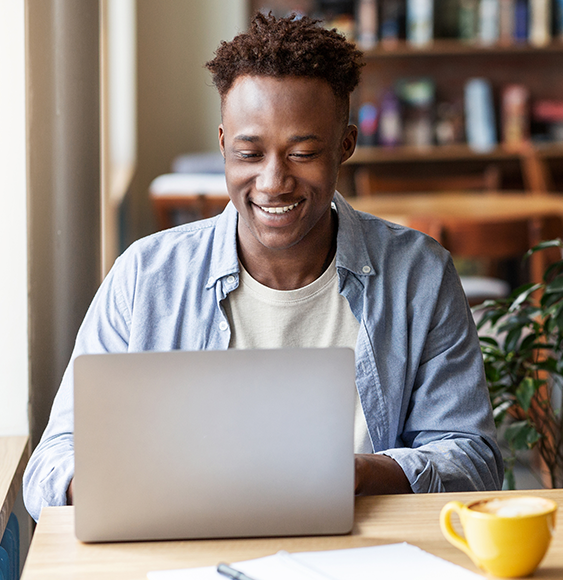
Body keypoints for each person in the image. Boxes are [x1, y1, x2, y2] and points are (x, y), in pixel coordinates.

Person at [23, 12, 502, 522]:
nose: (273, 182)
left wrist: (358, 473)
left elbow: (474, 460)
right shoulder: (144, 278)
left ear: (345, 146)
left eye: (303, 152)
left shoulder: (419, 276)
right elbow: (49, 466)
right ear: (224, 144)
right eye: (250, 153)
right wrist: (116, 482)